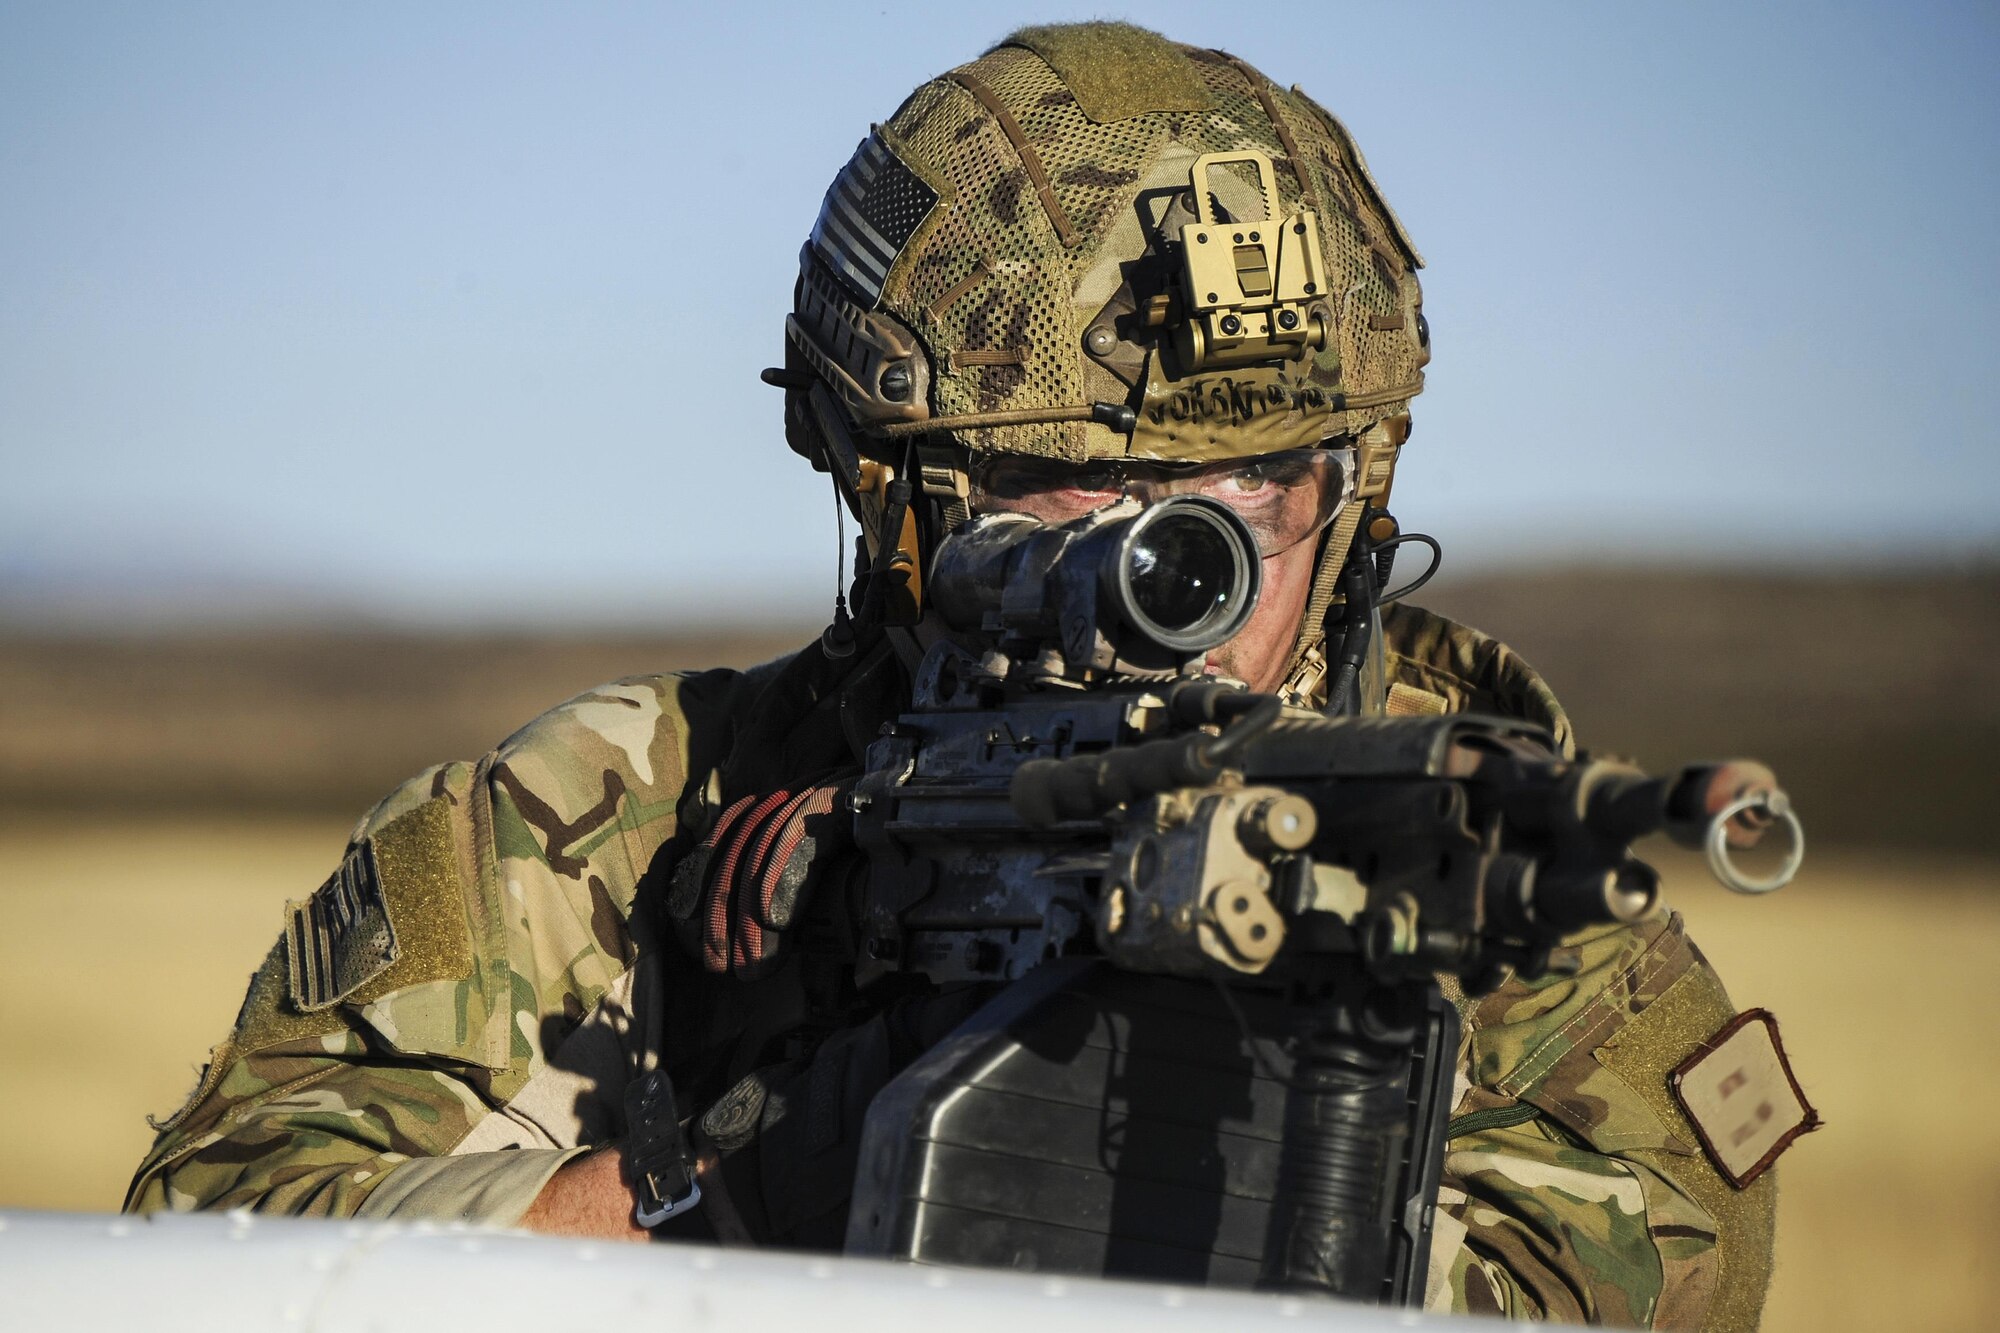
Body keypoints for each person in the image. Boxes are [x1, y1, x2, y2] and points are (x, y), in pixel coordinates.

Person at [127, 22, 1780, 1326]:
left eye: (1251, 513)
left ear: (1359, 502)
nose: (1165, 597)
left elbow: (1638, 1273)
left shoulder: (1493, 882)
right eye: (1058, 513)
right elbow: (197, 1258)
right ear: (886, 504)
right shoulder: (598, 824)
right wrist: (718, 1194)